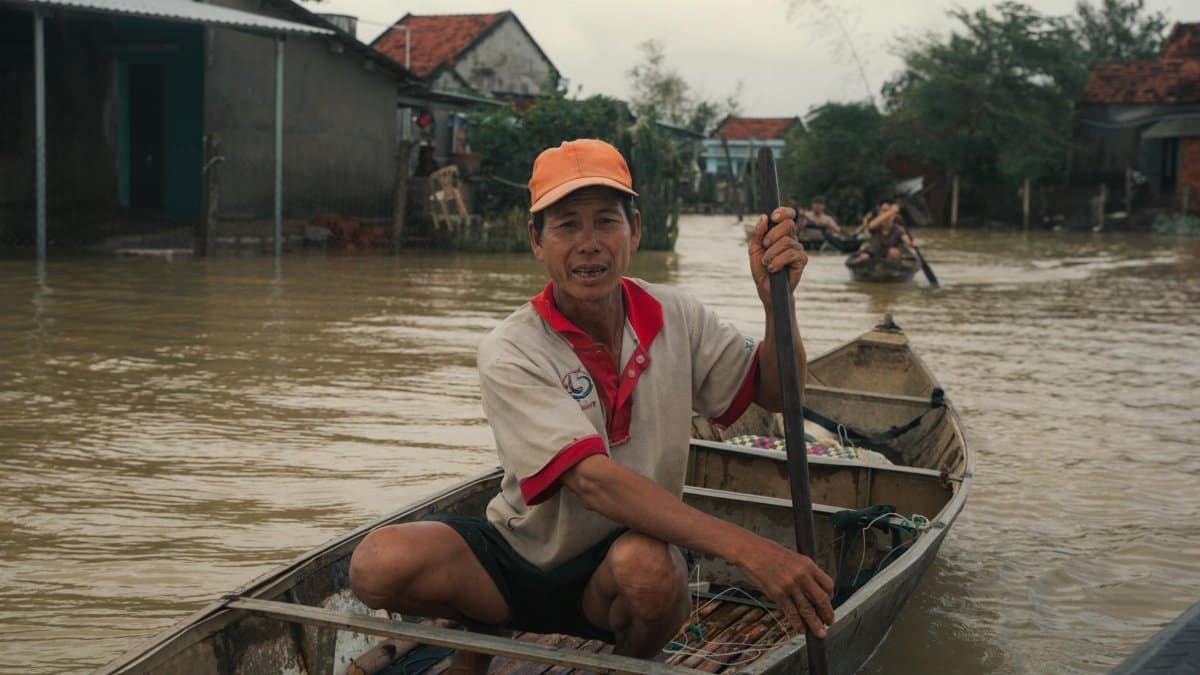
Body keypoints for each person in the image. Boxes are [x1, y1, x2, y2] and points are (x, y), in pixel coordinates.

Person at [348, 139, 834, 673]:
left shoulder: (677, 314)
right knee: (377, 564)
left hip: (620, 571)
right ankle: (482, 629)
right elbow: (593, 482)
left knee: (648, 568)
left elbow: (775, 391)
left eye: (606, 222)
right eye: (567, 225)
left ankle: (621, 665)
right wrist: (753, 550)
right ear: (536, 240)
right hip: (518, 556)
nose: (588, 244)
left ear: (636, 231)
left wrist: (775, 306)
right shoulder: (512, 347)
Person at [848, 198, 914, 264]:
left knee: (893, 252)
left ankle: (889, 268)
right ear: (879, 213)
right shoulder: (875, 226)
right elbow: (871, 225)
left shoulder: (898, 229)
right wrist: (891, 211)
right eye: (883, 211)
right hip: (873, 254)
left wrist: (911, 243)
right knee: (865, 256)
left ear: (894, 216)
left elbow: (907, 240)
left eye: (887, 211)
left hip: (890, 258)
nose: (885, 215)